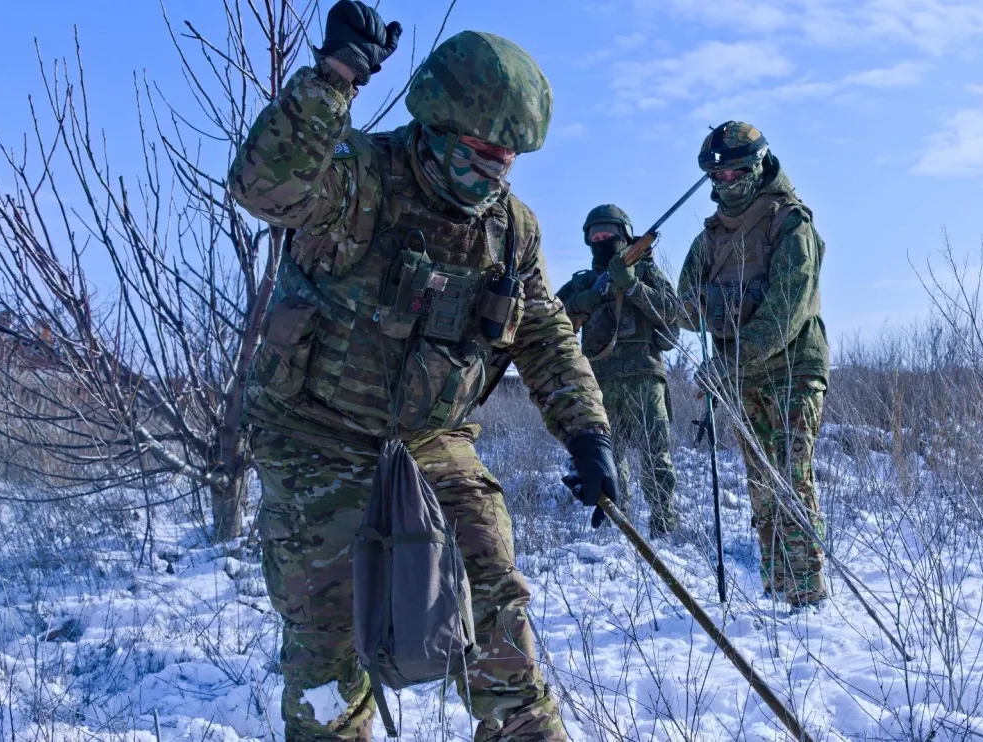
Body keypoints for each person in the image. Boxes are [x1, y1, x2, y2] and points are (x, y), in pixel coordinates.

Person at [228, 3, 616, 739]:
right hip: (316, 432)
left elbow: (543, 332)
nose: (487, 180)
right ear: (434, 129)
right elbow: (263, 190)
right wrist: (334, 78)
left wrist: (586, 431)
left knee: (494, 605)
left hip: (433, 436)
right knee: (327, 641)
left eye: (505, 165)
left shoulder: (511, 229)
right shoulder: (356, 179)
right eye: (473, 157)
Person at [677, 121, 830, 608]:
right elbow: (685, 307)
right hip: (741, 378)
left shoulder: (791, 224)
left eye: (734, 174)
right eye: (715, 178)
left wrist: (730, 363)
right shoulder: (712, 236)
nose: (724, 184)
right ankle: (777, 588)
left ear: (758, 165)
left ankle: (806, 595)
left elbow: (786, 312)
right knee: (762, 486)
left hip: (792, 371)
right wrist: (635, 279)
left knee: (790, 478)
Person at [556, 205, 682, 536]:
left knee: (656, 457)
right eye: (595, 236)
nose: (602, 240)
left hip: (645, 377)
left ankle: (663, 525)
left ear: (624, 235)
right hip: (598, 381)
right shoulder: (582, 283)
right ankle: (618, 526)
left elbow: (673, 314)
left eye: (608, 234)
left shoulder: (647, 273)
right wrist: (580, 303)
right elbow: (546, 323)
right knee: (610, 459)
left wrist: (635, 287)